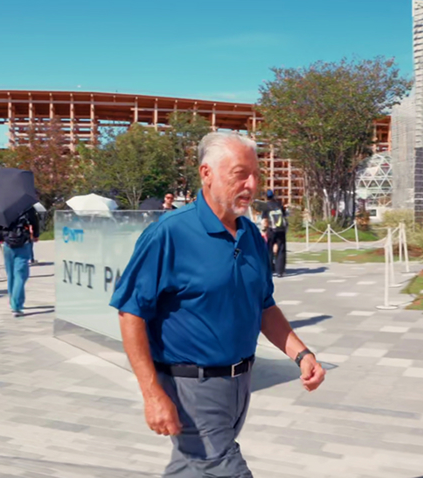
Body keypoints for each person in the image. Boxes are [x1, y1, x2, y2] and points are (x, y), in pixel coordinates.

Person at [110, 132, 325, 477]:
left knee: (193, 469)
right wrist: (152, 394)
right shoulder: (169, 233)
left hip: (240, 385)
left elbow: (264, 306)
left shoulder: (251, 234)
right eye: (240, 173)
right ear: (206, 173)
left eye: (256, 174)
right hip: (192, 389)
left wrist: (301, 353)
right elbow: (130, 312)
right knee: (222, 467)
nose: (251, 184)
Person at [0, 206, 40, 317]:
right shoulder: (27, 206)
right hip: (23, 242)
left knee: (11, 274)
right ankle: (16, 305)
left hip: (8, 243)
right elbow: (34, 222)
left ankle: (14, 299)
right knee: (21, 275)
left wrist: (0, 238)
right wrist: (36, 235)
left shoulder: (3, 206)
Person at [262, 189, 287, 278]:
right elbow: (284, 215)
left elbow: (265, 220)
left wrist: (264, 229)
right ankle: (280, 271)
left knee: (269, 249)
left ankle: (269, 269)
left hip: (271, 230)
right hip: (281, 230)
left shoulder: (266, 206)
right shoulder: (279, 205)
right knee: (281, 249)